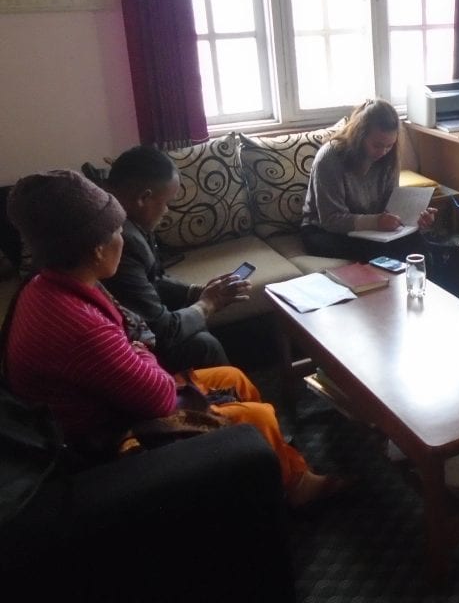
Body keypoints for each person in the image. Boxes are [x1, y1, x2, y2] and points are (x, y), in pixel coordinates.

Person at [4, 170, 349, 508]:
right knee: (257, 416)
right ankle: (291, 481)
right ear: (96, 248)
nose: (122, 237)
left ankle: (272, 469)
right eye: (115, 230)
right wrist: (141, 352)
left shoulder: (51, 283)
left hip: (115, 405)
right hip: (108, 440)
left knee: (233, 378)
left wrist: (138, 348)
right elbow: (157, 396)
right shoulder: (76, 324)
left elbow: (134, 336)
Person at [103, 145, 248, 373]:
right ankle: (232, 401)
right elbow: (163, 330)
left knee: (197, 328)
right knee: (203, 345)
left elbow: (153, 277)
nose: (167, 210)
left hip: (132, 325)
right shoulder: (120, 242)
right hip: (124, 347)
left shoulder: (118, 215)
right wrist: (208, 303)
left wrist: (195, 292)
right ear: (144, 198)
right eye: (167, 202)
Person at [301, 98, 436, 261]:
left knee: (419, 248)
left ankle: (423, 286)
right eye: (377, 145)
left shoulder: (389, 158)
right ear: (359, 136)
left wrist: (415, 218)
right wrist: (376, 222)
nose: (383, 152)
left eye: (389, 145)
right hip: (323, 231)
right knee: (379, 253)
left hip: (371, 230)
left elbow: (390, 206)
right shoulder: (330, 158)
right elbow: (331, 220)